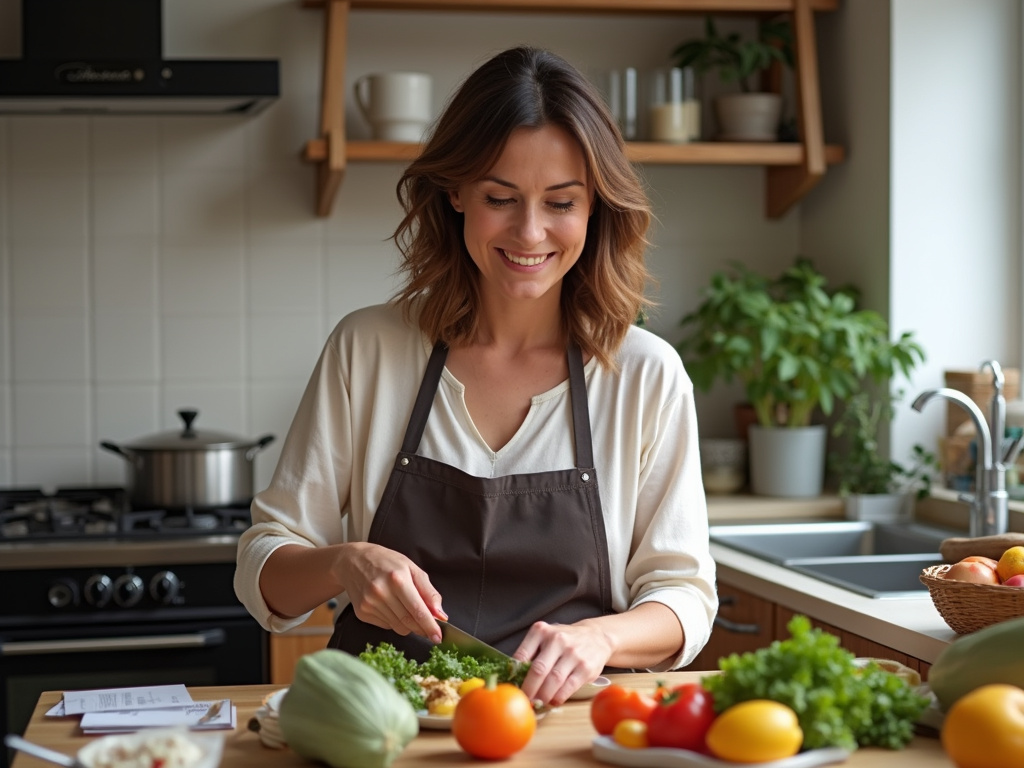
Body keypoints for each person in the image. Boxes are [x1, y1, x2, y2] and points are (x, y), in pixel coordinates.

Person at [234, 45, 717, 707]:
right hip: (384, 730)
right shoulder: (368, 349)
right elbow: (265, 572)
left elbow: (684, 597)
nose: (530, 231)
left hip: (566, 733)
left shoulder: (643, 373)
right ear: (456, 191)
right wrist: (343, 561)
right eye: (501, 198)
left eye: (561, 202)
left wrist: (601, 639)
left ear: (596, 206)